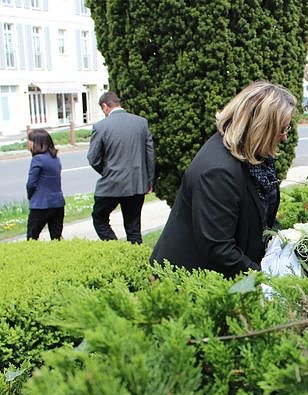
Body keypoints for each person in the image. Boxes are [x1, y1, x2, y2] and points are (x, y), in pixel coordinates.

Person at [150, 80, 296, 277]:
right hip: (191, 281)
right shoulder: (218, 172)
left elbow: (261, 219)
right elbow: (218, 248)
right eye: (282, 129)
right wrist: (265, 279)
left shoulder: (252, 157)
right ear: (259, 128)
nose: (284, 138)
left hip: (221, 271)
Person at [86, 91, 155, 244]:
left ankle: (115, 247)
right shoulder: (141, 123)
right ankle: (136, 258)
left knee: (99, 218)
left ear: (105, 107)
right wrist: (149, 180)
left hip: (111, 184)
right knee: (133, 227)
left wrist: (106, 171)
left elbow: (93, 158)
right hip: (137, 184)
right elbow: (149, 154)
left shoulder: (101, 126)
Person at [25, 129, 65, 240]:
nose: (28, 144)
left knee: (32, 238)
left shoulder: (37, 159)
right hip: (58, 203)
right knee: (56, 238)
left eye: (29, 141)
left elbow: (31, 184)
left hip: (40, 204)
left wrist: (30, 196)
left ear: (36, 143)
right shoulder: (55, 158)